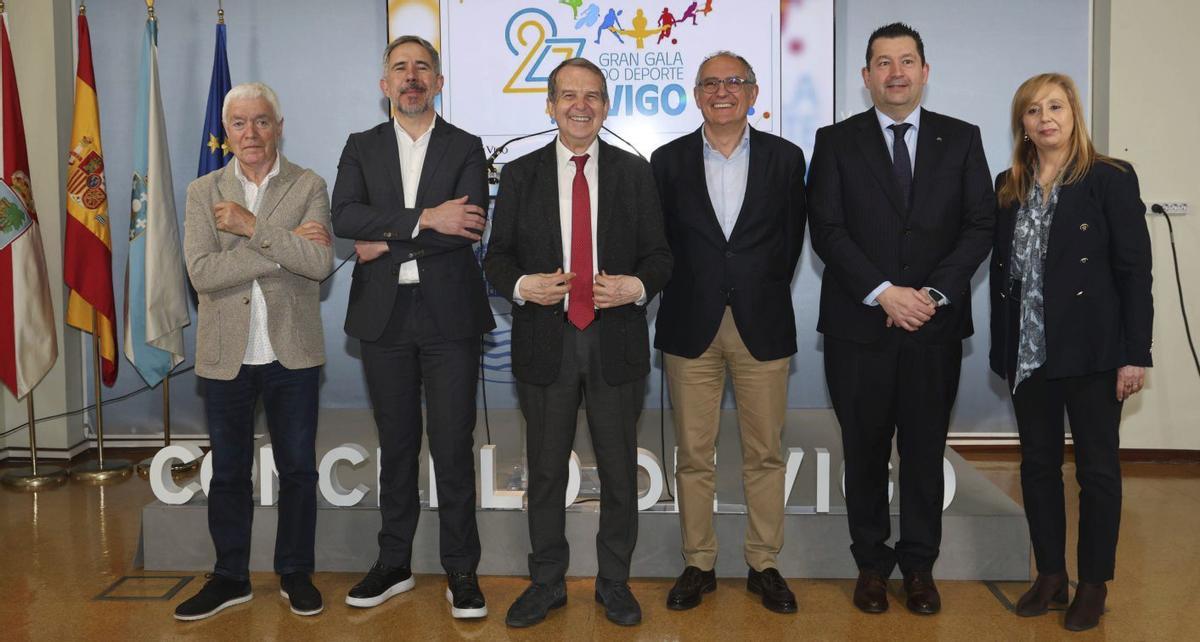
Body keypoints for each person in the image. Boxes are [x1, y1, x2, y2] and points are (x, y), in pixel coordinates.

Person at [806, 22, 994, 615]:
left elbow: (980, 225)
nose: (895, 72)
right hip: (859, 328)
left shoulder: (962, 140)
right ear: (866, 77)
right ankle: (870, 565)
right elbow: (827, 229)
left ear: (924, 71)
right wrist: (885, 292)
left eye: (906, 61)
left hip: (933, 329)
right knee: (862, 452)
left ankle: (919, 567)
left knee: (922, 450)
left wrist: (929, 294)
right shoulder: (835, 141)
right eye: (882, 63)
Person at [483, 57, 672, 628]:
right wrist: (522, 285)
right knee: (543, 471)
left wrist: (637, 286)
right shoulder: (519, 175)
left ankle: (614, 583)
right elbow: (496, 260)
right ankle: (546, 583)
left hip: (615, 341)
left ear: (606, 105)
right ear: (550, 104)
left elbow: (660, 257)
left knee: (618, 472)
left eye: (592, 95)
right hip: (547, 341)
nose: (581, 105)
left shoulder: (635, 173)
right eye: (569, 95)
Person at [330, 35, 495, 619]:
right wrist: (426, 217)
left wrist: (388, 240)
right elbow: (344, 216)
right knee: (397, 447)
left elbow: (466, 228)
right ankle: (393, 563)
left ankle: (461, 571)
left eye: (422, 67)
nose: (411, 76)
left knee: (453, 448)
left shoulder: (467, 146)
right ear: (385, 86)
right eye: (400, 68)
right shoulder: (361, 146)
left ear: (439, 81)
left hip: (450, 319)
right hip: (385, 320)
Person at [989, 72, 1152, 632]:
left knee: (1098, 471)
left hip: (1094, 351)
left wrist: (1136, 354)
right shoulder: (1007, 185)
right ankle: (1051, 575)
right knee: (1037, 468)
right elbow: (1002, 273)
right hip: (1028, 354)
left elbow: (1135, 271)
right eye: (1033, 111)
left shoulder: (1109, 178)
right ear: (1023, 125)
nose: (1045, 118)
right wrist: (1002, 351)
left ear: (1073, 113)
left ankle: (1093, 583)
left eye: (1055, 106)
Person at [650, 51, 806, 614]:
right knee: (694, 455)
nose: (723, 91)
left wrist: (753, 288)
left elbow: (788, 244)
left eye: (734, 81)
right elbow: (659, 245)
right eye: (711, 83)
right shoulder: (665, 161)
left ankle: (764, 564)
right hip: (690, 326)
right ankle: (699, 563)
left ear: (754, 92)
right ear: (696, 95)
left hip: (761, 324)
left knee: (765, 454)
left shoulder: (787, 159)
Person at [176, 82, 333, 621]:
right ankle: (230, 577)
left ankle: (295, 572)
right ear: (227, 132)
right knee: (227, 474)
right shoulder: (203, 191)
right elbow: (201, 273)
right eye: (239, 123)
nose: (251, 133)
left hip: (292, 354)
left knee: (298, 470)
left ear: (278, 126)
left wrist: (248, 229)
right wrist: (280, 244)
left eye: (261, 121)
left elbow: (318, 265)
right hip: (227, 355)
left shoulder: (310, 184)